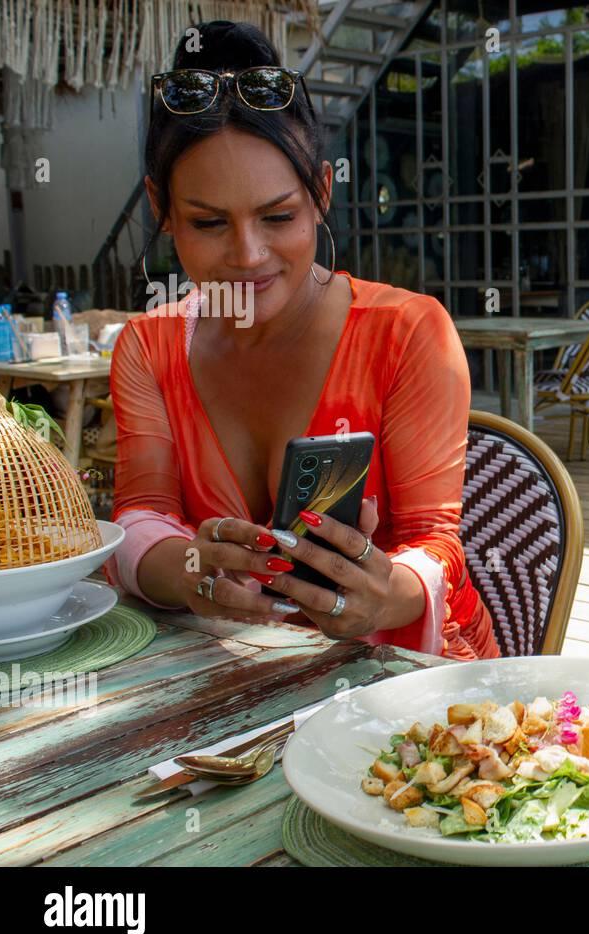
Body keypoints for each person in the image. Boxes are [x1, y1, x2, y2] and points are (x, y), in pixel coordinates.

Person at [104, 21, 496, 660]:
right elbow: (140, 517)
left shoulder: (405, 332)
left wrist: (378, 593)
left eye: (278, 216)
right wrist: (194, 571)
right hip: (223, 676)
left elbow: (435, 545)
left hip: (406, 691)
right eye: (208, 222)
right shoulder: (149, 347)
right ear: (162, 209)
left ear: (321, 193)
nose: (248, 254)